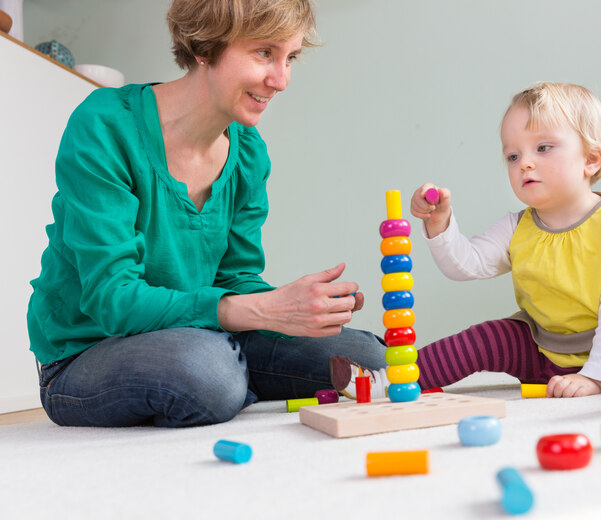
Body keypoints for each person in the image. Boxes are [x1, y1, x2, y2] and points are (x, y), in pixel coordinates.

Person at [28, 0, 386, 428]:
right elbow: (113, 298)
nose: (281, 80)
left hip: (201, 334)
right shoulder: (105, 126)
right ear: (205, 46)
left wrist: (294, 308)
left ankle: (226, 382)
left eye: (290, 57)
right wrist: (261, 311)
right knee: (209, 372)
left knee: (369, 359)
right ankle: (224, 382)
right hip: (87, 351)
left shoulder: (248, 152)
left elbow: (235, 278)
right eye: (264, 53)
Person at [330, 82, 601, 405]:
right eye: (513, 156)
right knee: (486, 337)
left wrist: (596, 376)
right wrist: (440, 223)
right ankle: (390, 380)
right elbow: (466, 265)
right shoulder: (518, 227)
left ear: (591, 159)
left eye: (543, 148)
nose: (524, 164)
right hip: (546, 347)